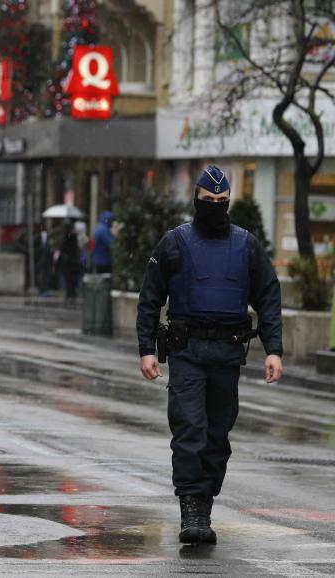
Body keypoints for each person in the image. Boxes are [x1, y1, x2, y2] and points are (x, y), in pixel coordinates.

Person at [137, 165, 283, 545]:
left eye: (221, 202)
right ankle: (192, 509)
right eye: (208, 201)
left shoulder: (246, 245)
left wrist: (274, 350)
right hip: (186, 352)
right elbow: (150, 299)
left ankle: (204, 500)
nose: (215, 207)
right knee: (189, 430)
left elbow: (268, 296)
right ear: (196, 201)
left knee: (217, 435)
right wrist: (146, 350)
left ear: (228, 202)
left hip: (227, 353)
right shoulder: (175, 243)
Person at [56, 220, 81, 304]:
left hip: (68, 262)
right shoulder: (74, 236)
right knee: (72, 280)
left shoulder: (67, 237)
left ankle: (69, 295)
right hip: (74, 261)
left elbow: (62, 249)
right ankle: (72, 294)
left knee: (68, 280)